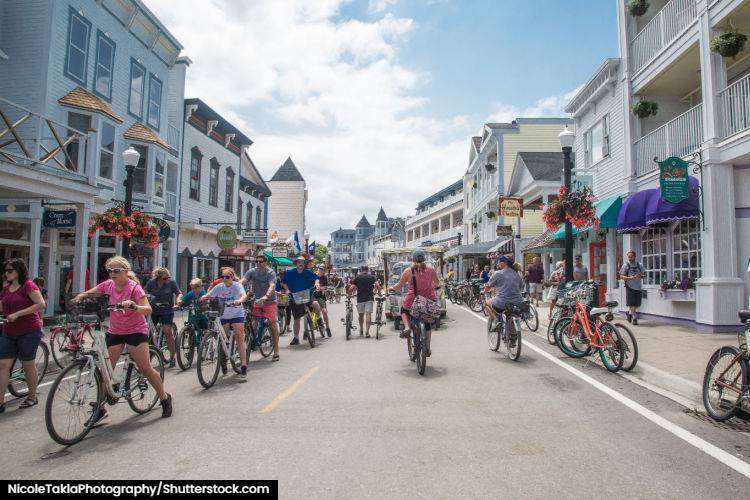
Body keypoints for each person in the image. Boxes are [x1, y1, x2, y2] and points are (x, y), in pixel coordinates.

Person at [71, 256, 172, 421]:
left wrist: (134, 306)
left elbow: (147, 309)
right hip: (116, 330)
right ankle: (100, 408)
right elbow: (92, 292)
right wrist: (80, 297)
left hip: (135, 331)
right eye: (109, 270)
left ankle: (164, 398)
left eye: (116, 270)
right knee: (106, 369)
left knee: (145, 368)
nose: (112, 273)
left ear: (126, 271)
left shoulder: (134, 288)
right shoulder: (108, 285)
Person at [0, 258, 46, 411]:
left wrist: (18, 314)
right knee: (3, 365)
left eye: (10, 270)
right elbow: (2, 306)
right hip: (9, 331)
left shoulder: (28, 285)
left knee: (27, 365)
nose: (6, 273)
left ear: (19, 271)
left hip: (29, 331)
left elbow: (41, 304)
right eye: (5, 271)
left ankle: (32, 396)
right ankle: (0, 402)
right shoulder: (6, 289)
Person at [200, 268, 248, 381]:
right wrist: (203, 297)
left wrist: (239, 300)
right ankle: (224, 360)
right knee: (223, 339)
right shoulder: (219, 287)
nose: (225, 279)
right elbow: (210, 294)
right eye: (223, 277)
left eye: (227, 277)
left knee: (239, 336)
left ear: (232, 277)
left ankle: (244, 365)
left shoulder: (237, 285)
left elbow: (243, 295)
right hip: (224, 315)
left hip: (236, 313)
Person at [388, 250, 439, 356]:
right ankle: (427, 348)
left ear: (413, 260)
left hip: (413, 300)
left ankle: (407, 327)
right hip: (429, 301)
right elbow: (437, 283)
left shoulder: (408, 271)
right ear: (424, 259)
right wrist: (433, 287)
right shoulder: (431, 269)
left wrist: (392, 288)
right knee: (427, 324)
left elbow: (399, 285)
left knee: (404, 310)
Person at [241, 254, 281, 361]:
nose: (258, 263)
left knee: (272, 323)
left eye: (261, 261)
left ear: (265, 262)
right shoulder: (252, 271)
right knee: (251, 321)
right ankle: (249, 343)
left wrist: (266, 296)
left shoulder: (270, 272)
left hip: (269, 301)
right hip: (256, 301)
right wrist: (234, 286)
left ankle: (276, 351)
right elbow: (243, 281)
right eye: (257, 261)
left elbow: (272, 285)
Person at [483, 256, 525, 347]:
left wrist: (483, 292)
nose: (498, 264)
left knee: (487, 303)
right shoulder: (517, 274)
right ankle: (513, 338)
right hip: (518, 302)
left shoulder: (498, 273)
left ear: (504, 263)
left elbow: (488, 286)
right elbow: (521, 287)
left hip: (502, 302)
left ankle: (496, 320)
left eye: (499, 262)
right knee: (512, 314)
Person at [144, 267, 181, 368]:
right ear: (158, 277)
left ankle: (173, 357)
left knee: (167, 331)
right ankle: (149, 356)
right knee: (149, 333)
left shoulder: (171, 283)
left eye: (168, 278)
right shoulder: (151, 283)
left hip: (167, 310)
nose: (167, 280)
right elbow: (144, 294)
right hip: (153, 310)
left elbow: (178, 293)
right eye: (165, 278)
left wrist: (178, 301)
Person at [282, 256, 323, 346]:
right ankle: (296, 338)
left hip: (307, 294)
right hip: (295, 297)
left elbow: (316, 278)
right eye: (299, 262)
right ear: (296, 263)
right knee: (296, 319)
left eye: (302, 262)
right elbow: (283, 282)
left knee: (315, 304)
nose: (301, 263)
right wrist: (287, 290)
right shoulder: (289, 273)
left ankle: (319, 319)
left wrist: (316, 284)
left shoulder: (308, 272)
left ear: (304, 264)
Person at [348, 265, 380, 338]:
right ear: (368, 270)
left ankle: (361, 329)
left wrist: (349, 295)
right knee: (368, 314)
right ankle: (367, 332)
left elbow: (351, 288)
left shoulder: (358, 278)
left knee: (361, 315)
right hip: (369, 298)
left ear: (361, 270)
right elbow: (377, 285)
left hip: (360, 299)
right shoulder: (372, 277)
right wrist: (379, 293)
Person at [620, 250, 645, 325]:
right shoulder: (626, 265)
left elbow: (644, 275)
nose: (630, 258)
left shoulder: (639, 265)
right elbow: (621, 276)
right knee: (632, 303)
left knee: (637, 304)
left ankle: (629, 313)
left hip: (638, 287)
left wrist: (640, 276)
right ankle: (634, 317)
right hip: (629, 286)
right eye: (629, 257)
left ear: (635, 256)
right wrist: (630, 278)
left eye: (631, 257)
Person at [313, 266, 332, 337]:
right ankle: (306, 331)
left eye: (322, 270)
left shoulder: (324, 278)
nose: (320, 271)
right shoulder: (313, 276)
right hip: (312, 296)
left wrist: (321, 288)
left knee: (324, 311)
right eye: (319, 270)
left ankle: (327, 328)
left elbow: (325, 287)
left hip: (320, 297)